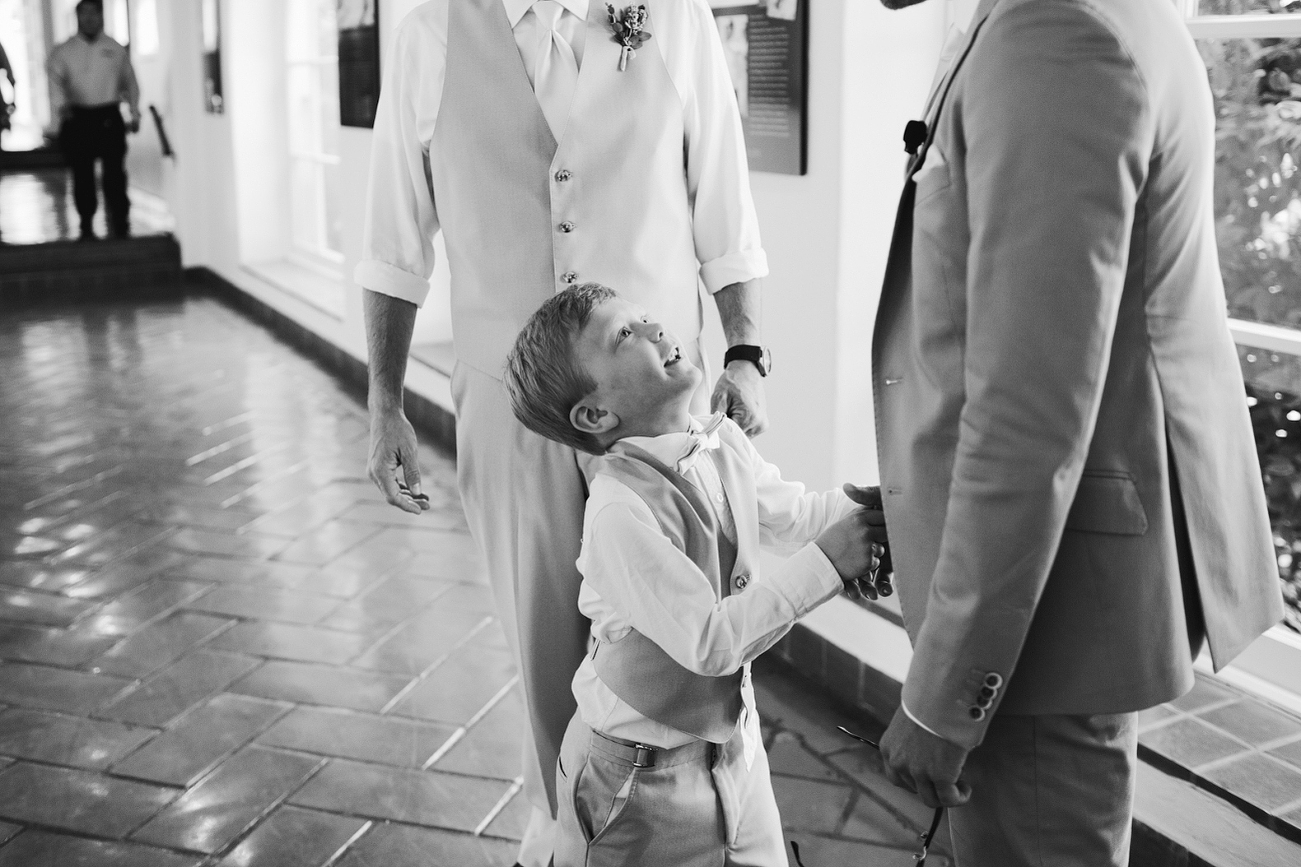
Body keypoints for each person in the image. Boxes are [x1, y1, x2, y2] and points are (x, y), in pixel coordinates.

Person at [869, 0, 1286, 865]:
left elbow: (1030, 412)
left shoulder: (1054, 33)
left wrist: (943, 696)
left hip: (1039, 622)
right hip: (1055, 584)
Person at [357, 2, 769, 864]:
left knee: (692, 635)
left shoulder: (674, 17)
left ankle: (710, 832)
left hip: (658, 406)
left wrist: (745, 350)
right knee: (545, 644)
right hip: (513, 411)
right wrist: (384, 399)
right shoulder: (431, 28)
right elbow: (394, 236)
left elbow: (723, 201)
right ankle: (572, 830)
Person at [503, 284, 887, 867]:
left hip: (734, 747)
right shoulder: (616, 513)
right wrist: (833, 561)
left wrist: (889, 511)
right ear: (597, 413)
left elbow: (799, 520)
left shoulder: (723, 441)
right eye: (624, 335)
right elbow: (709, 642)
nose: (655, 328)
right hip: (631, 784)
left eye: (645, 316)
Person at [47, 0, 140, 239]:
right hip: (79, 117)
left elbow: (130, 82)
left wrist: (134, 110)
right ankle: (86, 223)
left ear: (101, 15)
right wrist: (61, 109)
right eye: (84, 13)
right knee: (83, 174)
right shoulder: (64, 51)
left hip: (108, 115)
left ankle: (120, 221)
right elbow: (55, 83)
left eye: (94, 13)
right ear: (77, 16)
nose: (89, 18)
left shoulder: (115, 48)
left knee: (115, 174)